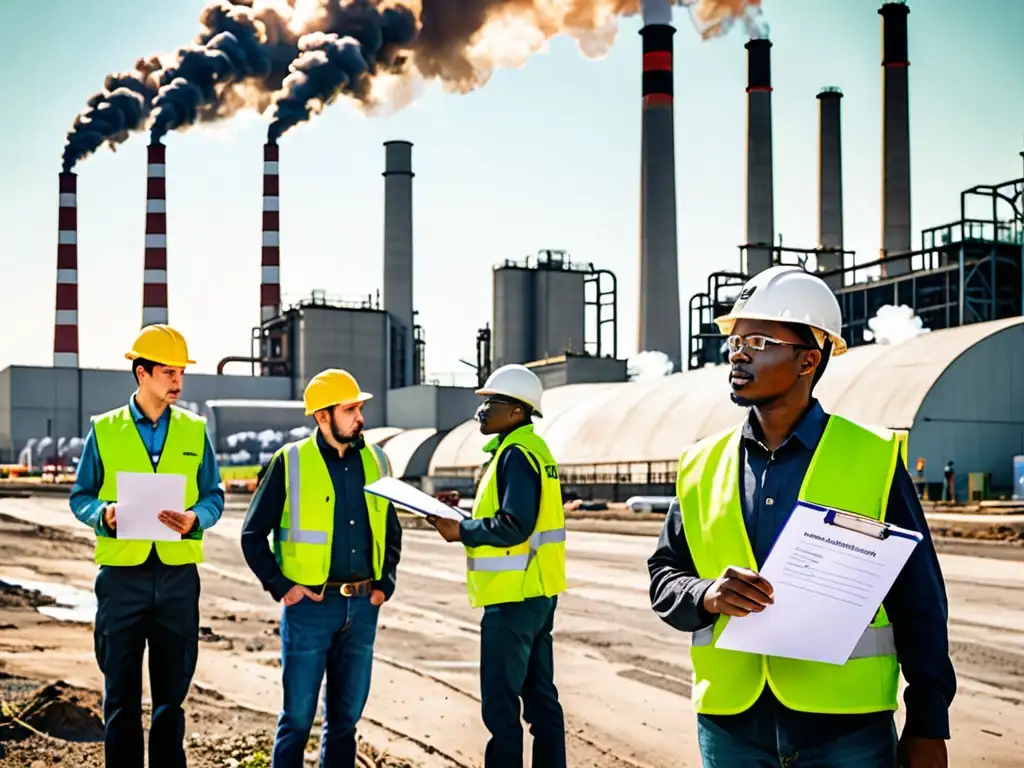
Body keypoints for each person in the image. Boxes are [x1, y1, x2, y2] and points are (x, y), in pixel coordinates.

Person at [647, 266, 956, 768]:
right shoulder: (701, 464)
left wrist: (927, 723)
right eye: (737, 339)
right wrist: (705, 594)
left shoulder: (871, 456)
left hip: (846, 731)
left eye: (762, 340)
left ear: (808, 360)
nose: (740, 352)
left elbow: (919, 600)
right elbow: (664, 576)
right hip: (732, 729)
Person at [69, 324, 225, 768]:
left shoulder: (195, 431)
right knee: (119, 698)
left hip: (177, 578)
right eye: (167, 372)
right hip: (121, 579)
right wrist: (105, 513)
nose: (177, 382)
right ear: (141, 373)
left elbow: (213, 494)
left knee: (170, 700)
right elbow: (81, 496)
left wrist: (198, 518)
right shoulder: (105, 430)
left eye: (181, 373)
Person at [240, 368, 402, 768]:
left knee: (345, 723)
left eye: (360, 408)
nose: (360, 417)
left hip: (363, 607)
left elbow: (391, 528)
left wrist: (385, 584)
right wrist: (283, 587)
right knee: (296, 721)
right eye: (350, 410)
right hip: (310, 608)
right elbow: (251, 534)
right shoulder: (291, 461)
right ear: (323, 416)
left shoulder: (378, 460)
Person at [426, 364, 567, 768]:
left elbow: (513, 525)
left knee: (501, 706)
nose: (482, 410)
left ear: (518, 411)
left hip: (513, 597)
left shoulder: (517, 455)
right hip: (537, 590)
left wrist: (462, 530)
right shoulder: (529, 451)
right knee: (541, 700)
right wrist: (463, 513)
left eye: (492, 402)